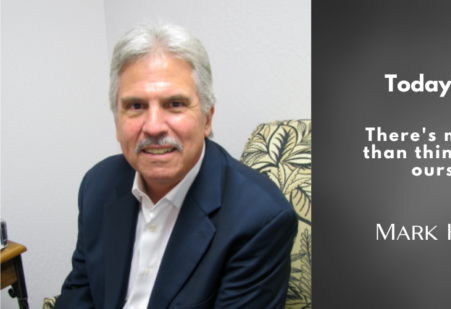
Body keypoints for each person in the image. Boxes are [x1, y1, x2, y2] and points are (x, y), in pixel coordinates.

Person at [55, 22, 297, 309]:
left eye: (175, 104)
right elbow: (78, 296)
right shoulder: (98, 184)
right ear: (116, 122)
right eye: (135, 106)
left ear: (207, 118)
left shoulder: (261, 219)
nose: (154, 126)